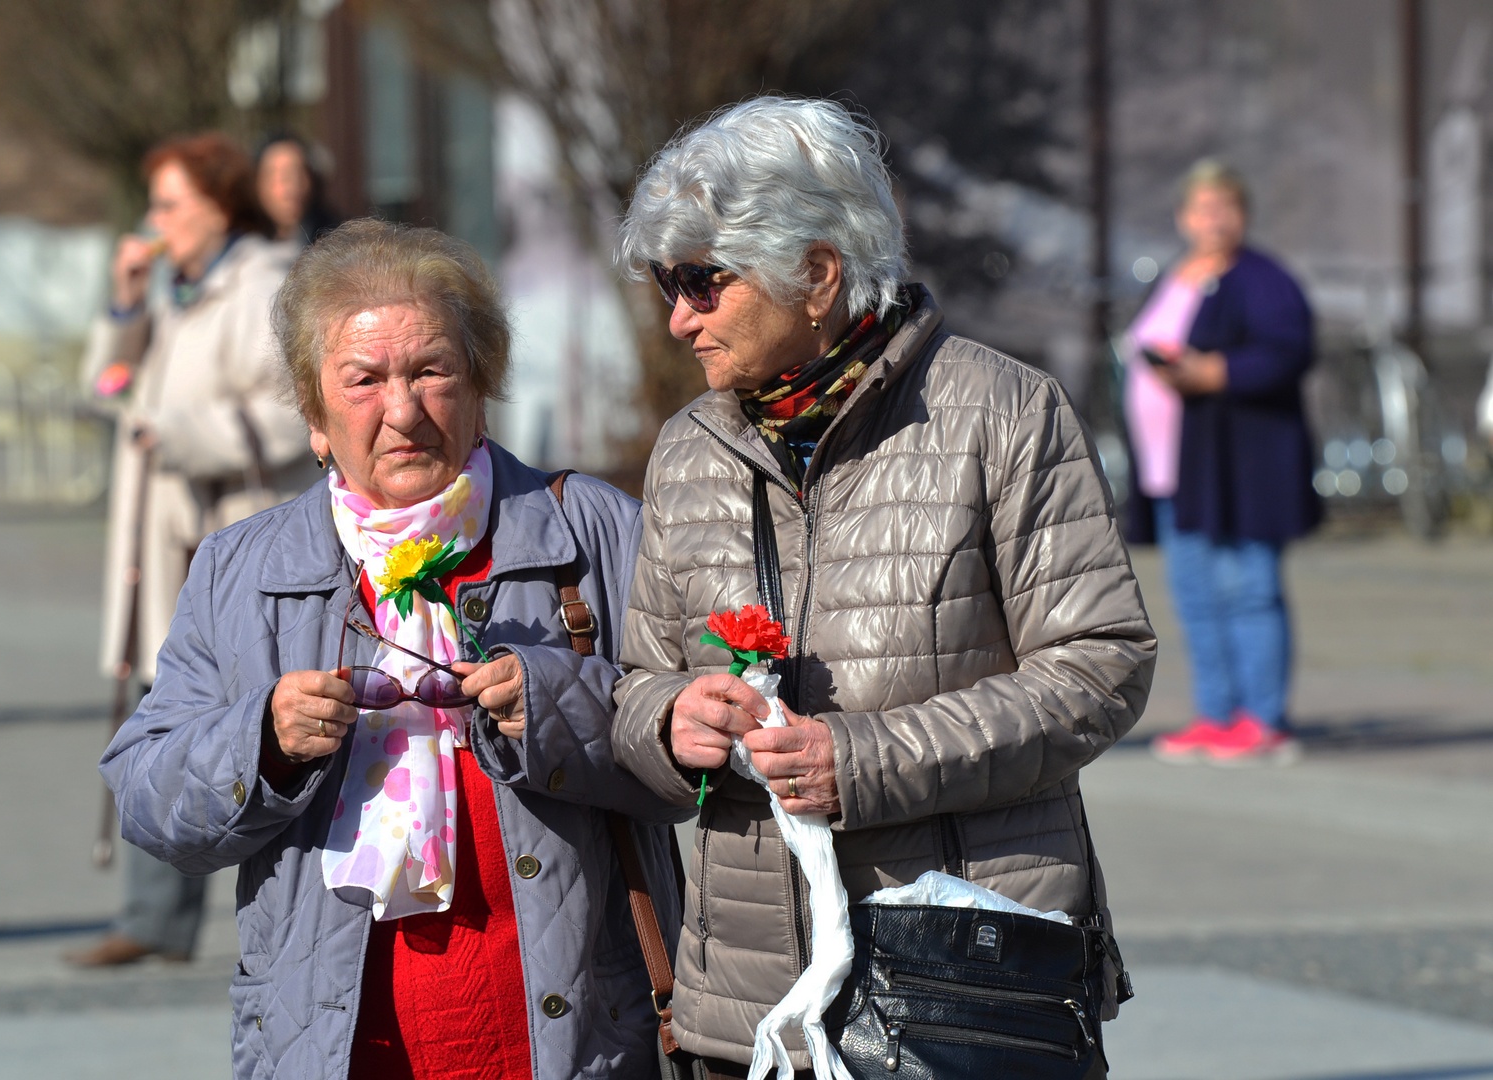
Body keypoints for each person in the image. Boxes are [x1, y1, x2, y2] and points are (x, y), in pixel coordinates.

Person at [610, 97, 1156, 1078]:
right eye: (666, 282)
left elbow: (1101, 667)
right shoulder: (687, 451)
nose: (677, 316)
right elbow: (638, 681)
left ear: (816, 273)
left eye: (702, 281)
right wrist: (668, 721)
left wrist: (862, 762)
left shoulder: (1003, 413)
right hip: (751, 1008)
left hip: (959, 985)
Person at [100, 219, 682, 1080]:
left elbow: (701, 745)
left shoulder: (591, 531)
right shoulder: (243, 567)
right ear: (314, 416)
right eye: (364, 380)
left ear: (482, 384)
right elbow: (145, 792)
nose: (402, 410)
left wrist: (552, 709)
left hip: (574, 1045)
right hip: (334, 1049)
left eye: (431, 371)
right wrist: (262, 739)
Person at [67, 132, 313, 968]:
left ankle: (258, 909)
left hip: (232, 527)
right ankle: (155, 916)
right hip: (161, 530)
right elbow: (102, 391)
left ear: (218, 203)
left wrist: (177, 434)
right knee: (164, 708)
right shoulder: (173, 289)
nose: (156, 220)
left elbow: (291, 411)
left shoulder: (266, 284)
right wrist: (126, 308)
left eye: (170, 203)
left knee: (236, 707)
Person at [1123, 160, 1320, 766]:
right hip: (1177, 472)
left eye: (1226, 207)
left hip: (1241, 470)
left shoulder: (1261, 279)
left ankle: (1263, 721)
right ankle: (1218, 715)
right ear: (1184, 217)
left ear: (1244, 214)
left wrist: (1214, 371)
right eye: (1203, 208)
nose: (1214, 219)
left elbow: (1288, 352)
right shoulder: (1175, 277)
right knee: (1197, 596)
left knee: (1249, 590)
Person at [255, 132, 338, 248]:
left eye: (297, 174)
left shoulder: (336, 238)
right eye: (278, 177)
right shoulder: (240, 248)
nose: (289, 189)